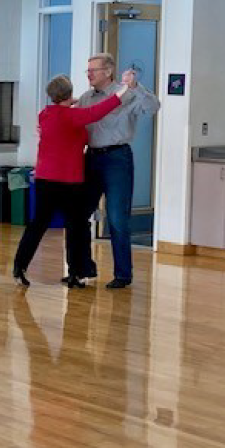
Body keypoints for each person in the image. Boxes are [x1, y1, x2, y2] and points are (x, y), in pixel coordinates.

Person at [12, 75, 128, 288]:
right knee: (76, 225)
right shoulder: (73, 117)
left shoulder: (45, 115)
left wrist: (68, 103)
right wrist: (123, 90)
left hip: (45, 179)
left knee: (38, 224)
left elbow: (65, 125)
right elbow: (99, 111)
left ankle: (20, 266)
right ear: (70, 93)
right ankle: (77, 273)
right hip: (69, 180)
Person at [71, 54, 161, 289]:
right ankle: (83, 268)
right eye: (87, 70)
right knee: (79, 214)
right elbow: (71, 121)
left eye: (93, 70)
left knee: (118, 218)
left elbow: (153, 107)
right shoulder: (85, 98)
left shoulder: (126, 94)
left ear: (108, 71)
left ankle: (123, 274)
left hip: (117, 159)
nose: (89, 74)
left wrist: (136, 86)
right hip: (91, 158)